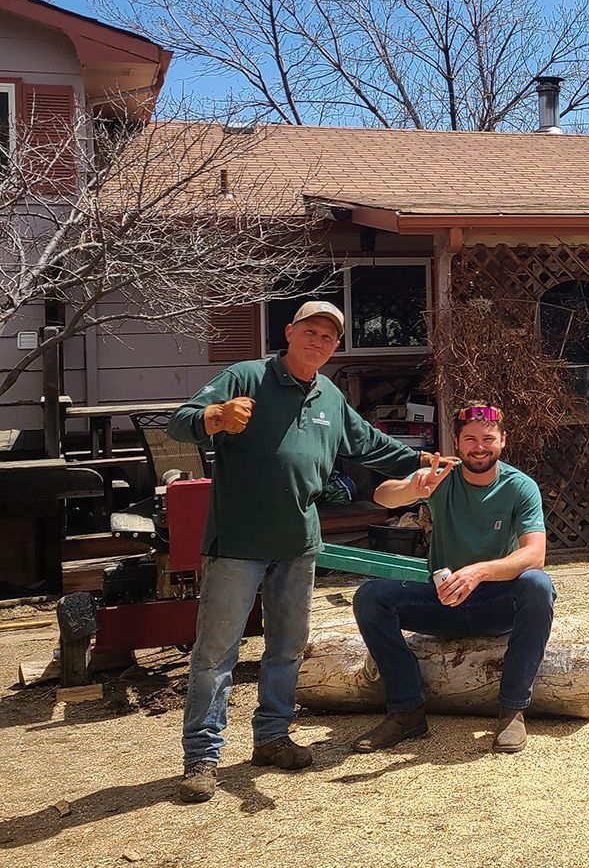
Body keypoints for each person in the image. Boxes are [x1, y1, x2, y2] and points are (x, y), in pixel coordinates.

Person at [168, 300, 441, 804]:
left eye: (329, 338)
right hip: (237, 545)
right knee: (215, 654)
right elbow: (177, 422)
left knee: (288, 647)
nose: (318, 342)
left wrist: (419, 457)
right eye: (310, 332)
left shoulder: (329, 397)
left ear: (335, 347)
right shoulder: (246, 377)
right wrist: (215, 416)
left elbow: (369, 444)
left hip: (297, 544)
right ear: (289, 332)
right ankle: (202, 758)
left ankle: (272, 737)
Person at [350, 400, 555, 755]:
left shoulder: (519, 486)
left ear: (503, 441)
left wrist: (480, 571)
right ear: (457, 444)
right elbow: (382, 496)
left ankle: (512, 710)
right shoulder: (441, 476)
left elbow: (534, 554)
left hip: (495, 604)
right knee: (370, 597)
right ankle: (407, 710)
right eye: (470, 439)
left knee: (538, 585)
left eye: (488, 438)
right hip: (444, 602)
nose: (479, 447)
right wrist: (414, 489)